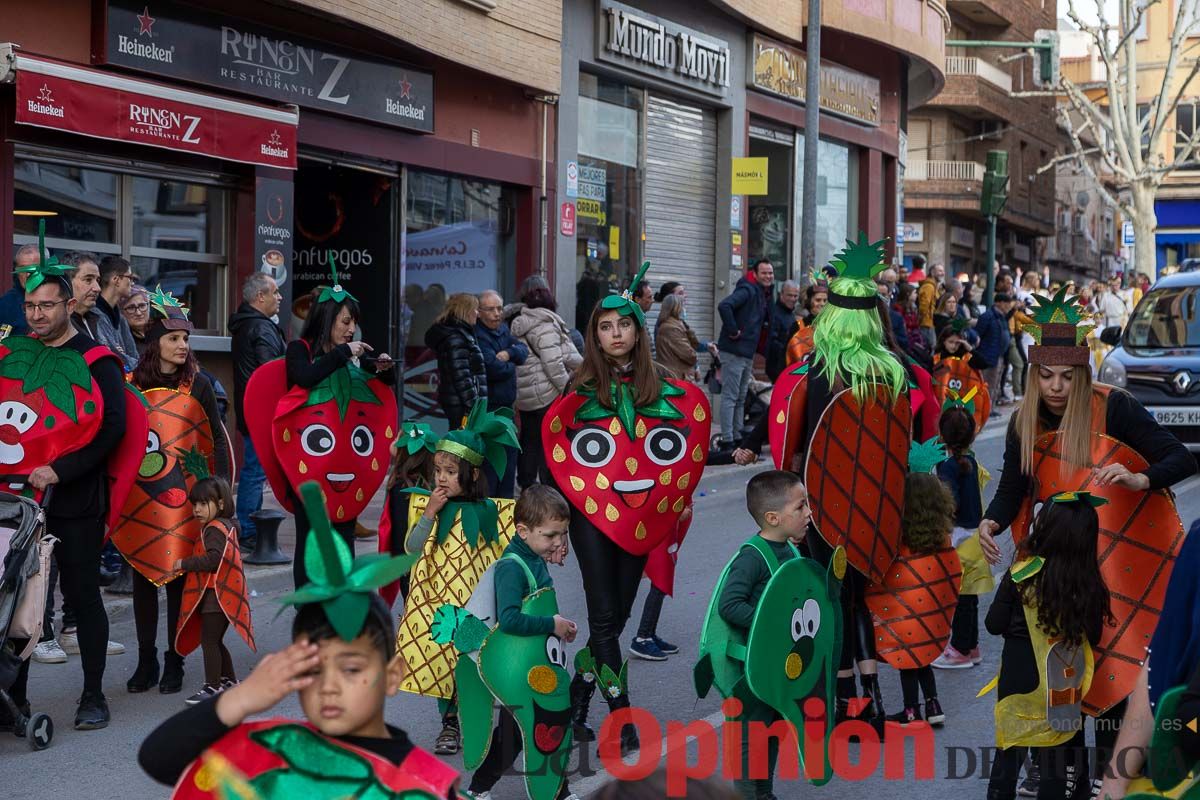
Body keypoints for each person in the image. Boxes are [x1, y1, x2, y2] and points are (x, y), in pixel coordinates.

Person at [978, 287, 1194, 795]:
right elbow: (1014, 488)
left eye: (1067, 377)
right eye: (1046, 376)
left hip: (1116, 569)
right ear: (1033, 375)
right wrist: (990, 522)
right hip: (1055, 572)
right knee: (1065, 677)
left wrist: (1142, 479)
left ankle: (1110, 775)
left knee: (1114, 671)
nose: (1056, 387)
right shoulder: (1022, 420)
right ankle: (1061, 774)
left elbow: (1180, 458)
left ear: (1082, 373)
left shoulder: (1114, 407)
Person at [138, 484, 458, 798]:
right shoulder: (275, 752)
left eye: (350, 669)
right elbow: (158, 759)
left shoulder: (430, 786)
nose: (328, 686)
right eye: (312, 669)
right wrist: (244, 697)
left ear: (392, 674)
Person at [548, 263, 710, 755]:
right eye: (605, 327)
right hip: (591, 518)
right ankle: (622, 722)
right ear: (595, 335)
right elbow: (560, 451)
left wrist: (677, 499)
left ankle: (575, 702)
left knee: (616, 619)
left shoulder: (665, 385)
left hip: (643, 517)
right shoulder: (576, 390)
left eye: (623, 325)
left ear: (637, 331)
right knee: (602, 619)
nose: (615, 334)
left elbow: (686, 441)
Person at [11, 253, 126, 729]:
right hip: (18, 501)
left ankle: (93, 696)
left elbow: (113, 429)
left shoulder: (98, 360)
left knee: (82, 596)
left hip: (76, 500)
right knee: (18, 601)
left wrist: (61, 470)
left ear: (70, 304)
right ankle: (12, 699)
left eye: (47, 305)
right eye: (31, 305)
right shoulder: (16, 354)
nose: (37, 314)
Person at [113, 288, 230, 697]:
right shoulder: (129, 384)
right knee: (145, 577)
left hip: (187, 495)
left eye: (186, 339)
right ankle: (146, 659)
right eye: (173, 339)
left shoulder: (198, 384)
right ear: (155, 343)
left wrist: (220, 496)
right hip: (141, 495)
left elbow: (214, 438)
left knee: (179, 574)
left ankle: (174, 659)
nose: (182, 346)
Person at [395, 401, 519, 756]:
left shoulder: (494, 512)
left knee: (473, 661)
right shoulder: (429, 507)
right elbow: (412, 548)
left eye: (451, 472)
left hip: (477, 602)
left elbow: (508, 553)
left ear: (473, 474)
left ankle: (479, 721)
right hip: (440, 601)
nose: (442, 479)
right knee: (442, 660)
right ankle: (449, 724)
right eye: (438, 471)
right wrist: (430, 515)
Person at [984, 493, 1113, 800]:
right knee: (1055, 761)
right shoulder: (1089, 582)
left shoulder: (1022, 574)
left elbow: (993, 624)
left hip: (1019, 680)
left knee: (1009, 754)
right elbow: (1093, 636)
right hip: (1062, 683)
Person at [460, 486, 580, 800]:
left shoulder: (533, 554)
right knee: (521, 732)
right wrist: (551, 624)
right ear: (522, 531)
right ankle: (479, 788)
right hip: (518, 670)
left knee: (546, 727)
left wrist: (558, 628)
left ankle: (555, 791)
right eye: (551, 535)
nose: (558, 542)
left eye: (563, 534)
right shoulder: (511, 568)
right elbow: (510, 620)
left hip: (537, 665)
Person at [282, 274, 395, 588]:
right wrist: (344, 354)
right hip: (308, 468)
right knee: (311, 542)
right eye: (345, 321)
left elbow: (375, 399)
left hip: (346, 470)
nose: (351, 329)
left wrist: (384, 370)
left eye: (354, 323)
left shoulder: (354, 358)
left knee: (344, 542)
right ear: (326, 319)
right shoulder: (299, 349)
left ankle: (337, 612)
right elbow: (304, 378)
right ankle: (308, 616)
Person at [715, 470, 812, 800]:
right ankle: (746, 794)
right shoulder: (753, 556)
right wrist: (769, 622)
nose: (808, 513)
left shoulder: (793, 551)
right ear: (773, 517)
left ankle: (763, 792)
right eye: (800, 507)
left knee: (774, 727)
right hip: (753, 667)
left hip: (782, 664)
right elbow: (730, 605)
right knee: (750, 734)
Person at [172, 475, 254, 705]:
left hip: (216, 595)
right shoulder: (227, 524)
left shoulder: (214, 529)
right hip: (226, 594)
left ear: (219, 504)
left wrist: (184, 563)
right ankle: (228, 681)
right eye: (195, 504)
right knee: (216, 640)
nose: (197, 509)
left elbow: (214, 559)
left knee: (209, 641)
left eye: (203, 504)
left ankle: (212, 687)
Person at [885, 471, 957, 726]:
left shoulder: (900, 535)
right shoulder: (941, 534)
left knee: (908, 659)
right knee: (924, 656)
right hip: (930, 605)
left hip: (905, 606)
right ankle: (933, 704)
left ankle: (910, 710)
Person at [228, 273, 285, 548]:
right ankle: (249, 530)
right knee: (255, 470)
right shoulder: (260, 328)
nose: (280, 297)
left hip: (250, 408)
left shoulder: (245, 324)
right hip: (261, 410)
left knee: (255, 469)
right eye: (275, 292)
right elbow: (272, 371)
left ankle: (250, 525)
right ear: (259, 297)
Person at [932, 404, 990, 670]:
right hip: (975, 534)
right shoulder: (971, 461)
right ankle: (972, 645)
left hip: (958, 538)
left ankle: (961, 649)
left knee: (959, 596)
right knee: (970, 595)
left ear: (942, 436)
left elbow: (949, 501)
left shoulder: (947, 466)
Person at [511, 276, 582, 491]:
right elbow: (554, 363)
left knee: (530, 440)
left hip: (526, 395)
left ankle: (527, 485)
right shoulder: (544, 323)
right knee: (548, 443)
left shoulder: (522, 321)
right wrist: (567, 391)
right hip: (546, 394)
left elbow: (563, 354)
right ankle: (546, 489)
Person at [376, 422, 438, 607]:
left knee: (412, 607)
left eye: (397, 439)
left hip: (407, 562)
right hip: (425, 560)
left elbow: (399, 530)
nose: (393, 442)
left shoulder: (400, 487)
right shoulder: (430, 485)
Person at [474, 289, 528, 498]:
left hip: (508, 409)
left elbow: (522, 351)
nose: (497, 313)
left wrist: (509, 354)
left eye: (499, 308)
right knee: (491, 464)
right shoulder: (479, 336)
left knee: (509, 462)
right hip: (490, 410)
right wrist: (510, 366)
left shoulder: (503, 330)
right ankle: (491, 507)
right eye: (490, 309)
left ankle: (504, 507)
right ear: (479, 312)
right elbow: (493, 368)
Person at [716, 258, 773, 444]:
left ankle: (738, 436)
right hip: (734, 351)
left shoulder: (761, 292)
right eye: (764, 273)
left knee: (740, 397)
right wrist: (733, 331)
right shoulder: (747, 289)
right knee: (731, 396)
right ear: (755, 274)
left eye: (770, 273)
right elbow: (725, 305)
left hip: (746, 352)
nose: (768, 276)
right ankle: (727, 439)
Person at [426, 292, 487, 429]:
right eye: (475, 309)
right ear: (466, 310)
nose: (478, 313)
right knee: (460, 444)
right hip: (461, 403)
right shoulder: (457, 337)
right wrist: (473, 406)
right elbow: (461, 376)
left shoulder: (460, 334)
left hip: (458, 400)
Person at [95, 256, 140, 371]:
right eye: (129, 277)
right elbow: (115, 356)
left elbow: (133, 356)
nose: (132, 283)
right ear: (116, 280)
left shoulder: (121, 319)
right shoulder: (94, 314)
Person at [975, 293, 1014, 415]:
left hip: (999, 356)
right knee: (988, 384)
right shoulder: (988, 316)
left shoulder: (1001, 317)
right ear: (999, 303)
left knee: (995, 384)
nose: (1008, 306)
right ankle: (984, 409)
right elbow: (978, 335)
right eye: (1006, 303)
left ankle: (990, 408)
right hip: (989, 356)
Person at [652, 293, 700, 381]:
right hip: (677, 377)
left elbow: (695, 344)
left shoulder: (674, 325)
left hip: (676, 375)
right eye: (682, 306)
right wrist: (695, 357)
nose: (684, 309)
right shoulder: (671, 328)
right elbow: (688, 354)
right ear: (676, 308)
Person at [0, 243, 40, 336]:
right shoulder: (6, 305)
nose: (28, 275)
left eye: (33, 269)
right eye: (23, 269)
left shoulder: (59, 298)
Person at [765, 279, 800, 381]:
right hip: (777, 367)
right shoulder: (775, 314)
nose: (793, 299)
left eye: (795, 296)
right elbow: (772, 341)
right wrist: (788, 350)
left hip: (788, 365)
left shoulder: (790, 315)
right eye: (790, 295)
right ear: (781, 295)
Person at [917, 262, 945, 348]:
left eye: (943, 271)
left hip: (930, 323)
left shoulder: (934, 286)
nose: (942, 273)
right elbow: (923, 307)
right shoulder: (929, 286)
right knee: (930, 348)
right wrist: (922, 321)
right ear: (932, 272)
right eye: (940, 271)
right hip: (927, 324)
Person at [121, 283, 152, 356]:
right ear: (121, 312)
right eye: (131, 308)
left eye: (142, 306)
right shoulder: (121, 340)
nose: (138, 313)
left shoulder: (161, 332)